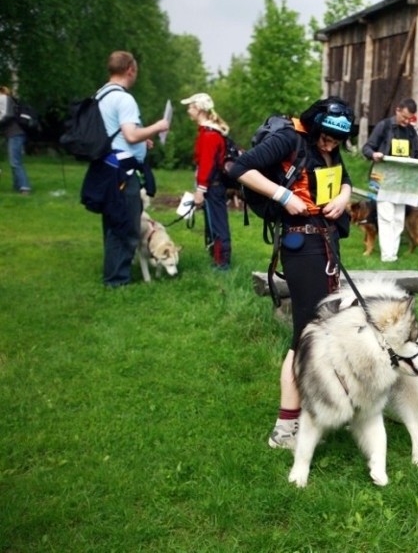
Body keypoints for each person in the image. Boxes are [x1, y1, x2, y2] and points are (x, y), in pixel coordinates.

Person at [228, 97, 354, 449]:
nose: (330, 145)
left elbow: (345, 179)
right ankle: (285, 428)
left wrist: (344, 197)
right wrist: (283, 195)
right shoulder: (290, 139)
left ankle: (320, 411)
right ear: (315, 128)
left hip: (327, 242)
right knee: (305, 336)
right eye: (326, 138)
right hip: (302, 246)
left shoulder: (330, 144)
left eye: (337, 141)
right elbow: (238, 168)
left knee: (325, 330)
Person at [85, 51, 170, 287]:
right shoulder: (124, 99)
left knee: (113, 222)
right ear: (130, 69)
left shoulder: (101, 94)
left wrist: (144, 141)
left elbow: (117, 133)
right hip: (122, 172)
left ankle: (114, 272)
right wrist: (158, 127)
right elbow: (130, 134)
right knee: (126, 224)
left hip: (106, 166)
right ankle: (117, 279)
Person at [362, 98, 418, 262]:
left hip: (404, 181)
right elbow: (367, 148)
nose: (407, 121)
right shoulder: (383, 126)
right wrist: (374, 154)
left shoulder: (411, 131)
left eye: (410, 119)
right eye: (404, 117)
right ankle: (387, 256)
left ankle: (393, 253)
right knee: (386, 216)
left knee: (399, 218)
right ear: (397, 110)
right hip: (384, 178)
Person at [181, 93, 233, 270]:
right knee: (215, 223)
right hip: (213, 186)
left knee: (217, 224)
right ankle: (217, 259)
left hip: (213, 187)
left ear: (200, 109)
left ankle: (222, 263)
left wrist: (200, 190)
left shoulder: (209, 135)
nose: (188, 110)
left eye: (191, 107)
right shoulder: (208, 132)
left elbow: (207, 164)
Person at [0, 86, 33, 194]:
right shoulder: (9, 100)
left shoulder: (4, 99)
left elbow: (7, 116)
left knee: (15, 162)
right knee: (14, 161)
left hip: (15, 133)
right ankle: (17, 186)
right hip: (15, 133)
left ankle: (25, 187)